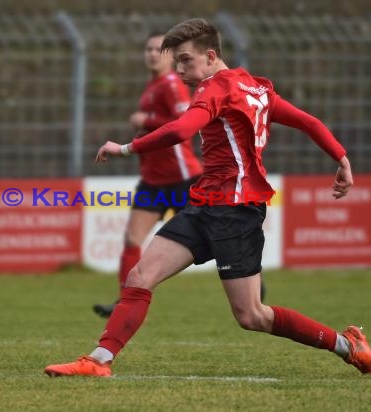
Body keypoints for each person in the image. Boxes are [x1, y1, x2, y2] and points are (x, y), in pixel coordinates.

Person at [45, 18, 371, 377]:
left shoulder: (215, 88)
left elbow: (182, 129)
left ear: (210, 56)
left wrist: (126, 147)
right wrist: (342, 159)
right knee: (140, 276)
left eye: (186, 60)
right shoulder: (255, 88)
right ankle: (99, 361)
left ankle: (347, 344)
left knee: (252, 315)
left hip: (236, 212)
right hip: (204, 204)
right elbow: (309, 122)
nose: (179, 69)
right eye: (176, 61)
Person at [92, 32, 266, 319]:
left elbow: (182, 124)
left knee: (219, 233)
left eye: (156, 50)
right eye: (147, 49)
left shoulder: (173, 84)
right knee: (133, 238)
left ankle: (252, 284)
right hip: (154, 179)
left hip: (182, 175)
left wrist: (144, 124)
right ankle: (126, 298)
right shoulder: (152, 86)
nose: (150, 54)